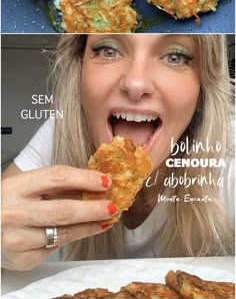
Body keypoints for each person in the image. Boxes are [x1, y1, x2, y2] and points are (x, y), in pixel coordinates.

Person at [2, 34, 235, 271]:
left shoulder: (229, 150)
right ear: (79, 71)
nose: (135, 84)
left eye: (175, 56)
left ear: (203, 88)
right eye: (108, 50)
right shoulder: (64, 129)